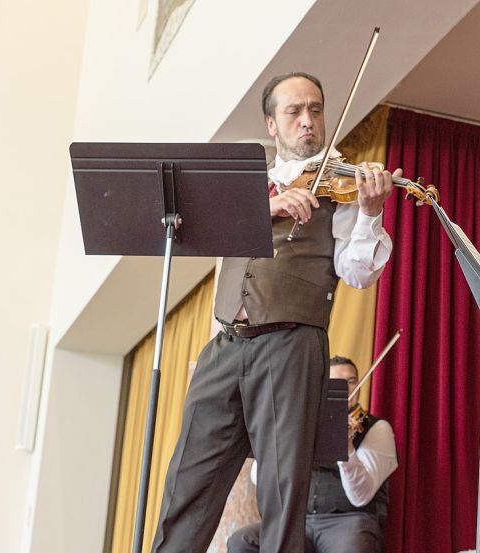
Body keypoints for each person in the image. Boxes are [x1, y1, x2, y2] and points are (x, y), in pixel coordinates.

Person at [151, 72, 402, 553]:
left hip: (291, 345)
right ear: (271, 124)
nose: (308, 121)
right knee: (188, 481)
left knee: (283, 493)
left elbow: (358, 273)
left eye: (315, 109)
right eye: (294, 112)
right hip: (225, 344)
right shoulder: (245, 184)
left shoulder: (340, 186)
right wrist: (266, 205)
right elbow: (203, 232)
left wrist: (370, 213)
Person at [227, 356, 399, 553]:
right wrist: (274, 444)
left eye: (351, 382)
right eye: (337, 384)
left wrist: (347, 450)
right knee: (242, 541)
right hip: (299, 521)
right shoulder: (304, 424)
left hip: (348, 522)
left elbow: (361, 496)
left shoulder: (376, 429)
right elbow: (259, 479)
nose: (347, 390)